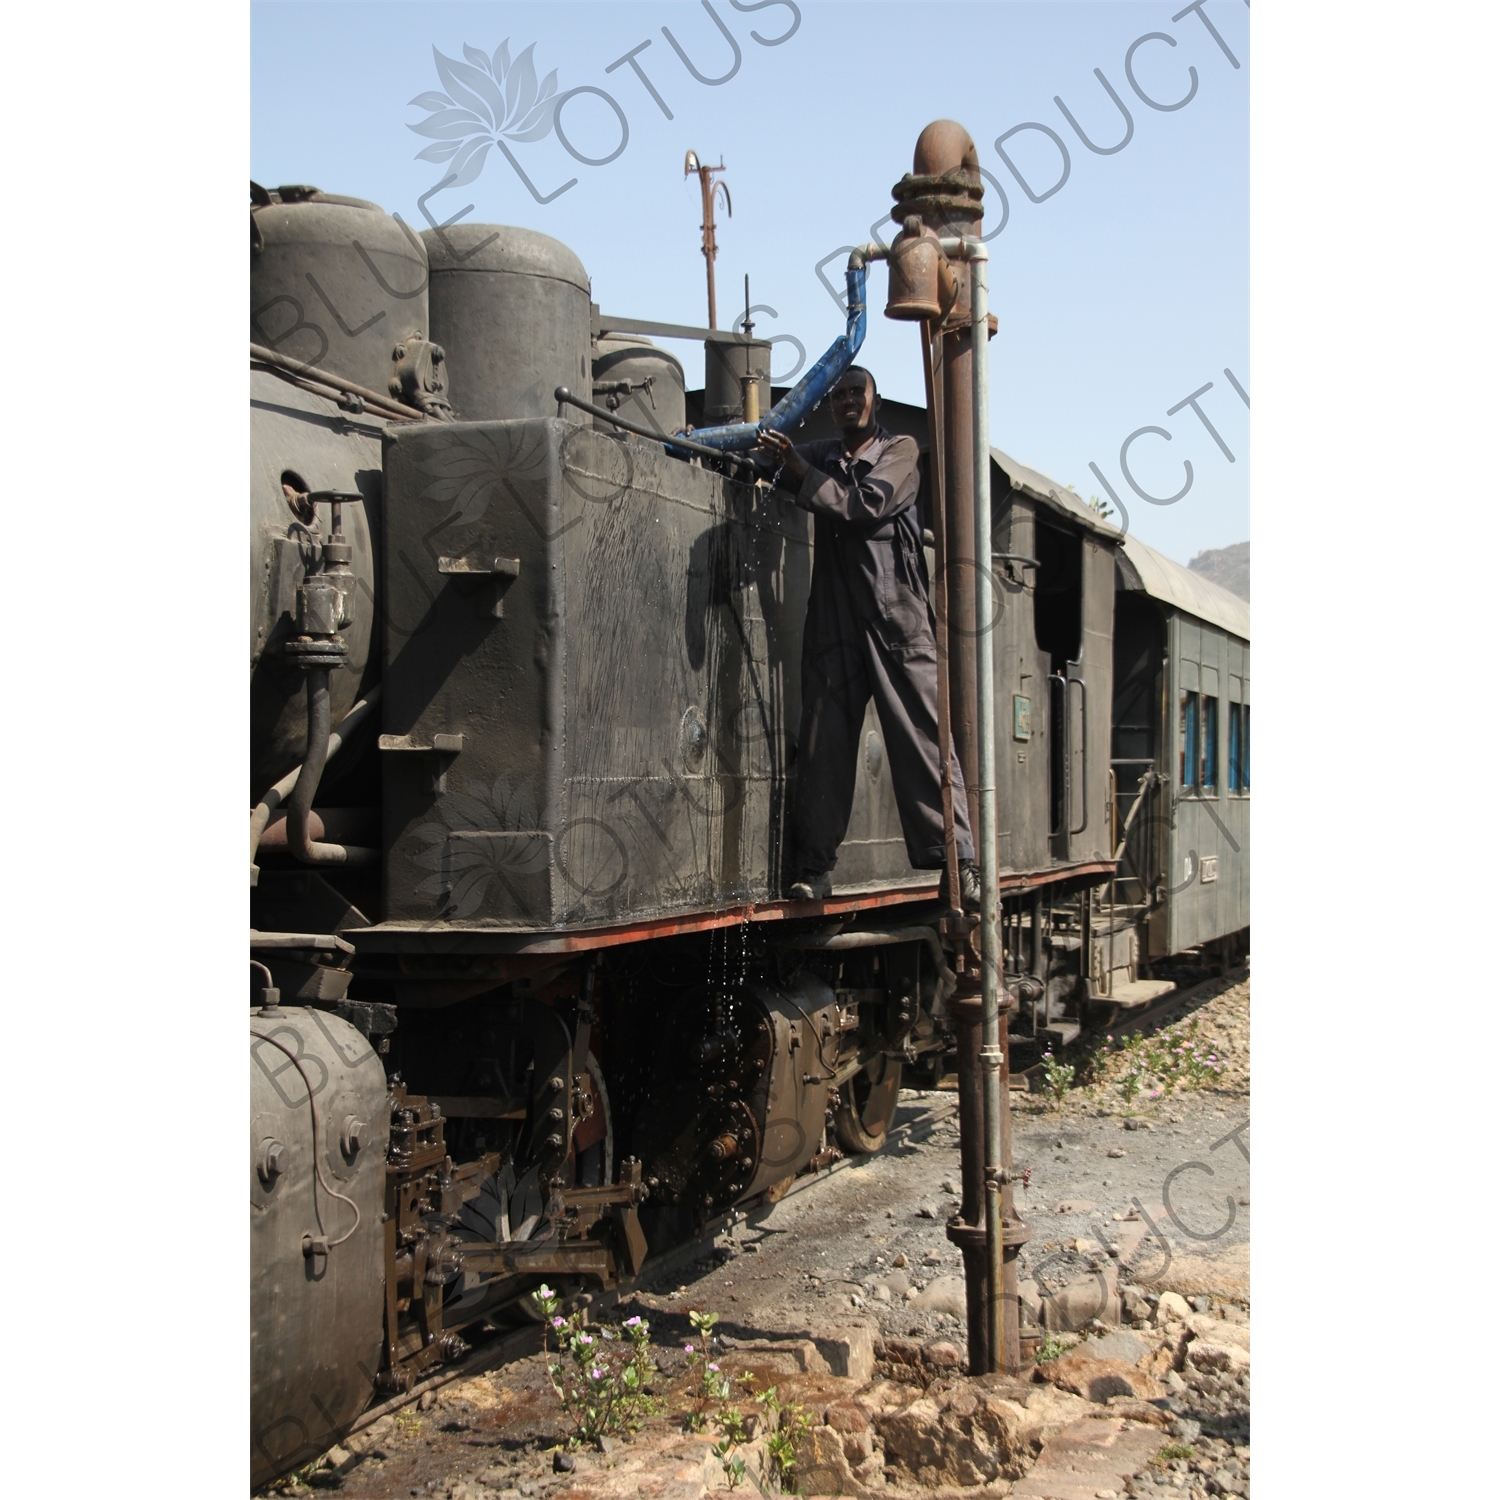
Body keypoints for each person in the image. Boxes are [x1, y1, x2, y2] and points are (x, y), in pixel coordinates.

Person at [754, 366, 981, 910]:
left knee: (924, 736)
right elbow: (769, 458)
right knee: (823, 743)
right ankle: (814, 870)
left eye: (857, 392)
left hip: (896, 612)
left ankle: (960, 865)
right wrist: (743, 447)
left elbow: (865, 507)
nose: (848, 401)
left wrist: (796, 469)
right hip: (834, 615)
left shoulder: (900, 451)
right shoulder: (825, 453)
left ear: (874, 400)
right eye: (840, 395)